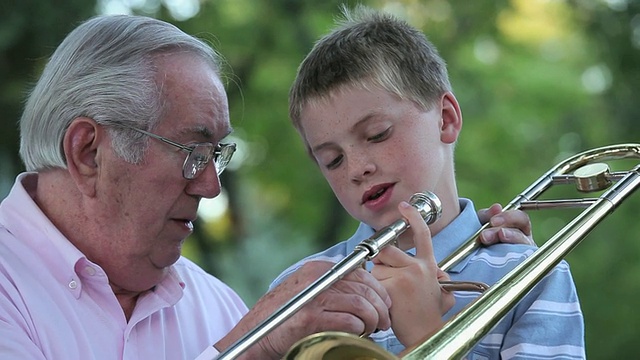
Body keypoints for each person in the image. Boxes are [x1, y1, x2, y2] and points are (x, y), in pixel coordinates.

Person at [0, 13, 539, 360]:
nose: (213, 188)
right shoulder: (257, 322)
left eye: (218, 155)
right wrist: (252, 347)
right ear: (88, 152)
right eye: (193, 152)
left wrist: (503, 269)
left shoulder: (219, 305)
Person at [270, 5, 585, 359]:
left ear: (446, 120)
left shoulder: (534, 275)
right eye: (333, 160)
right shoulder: (302, 286)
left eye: (377, 134)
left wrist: (426, 335)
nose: (356, 168)